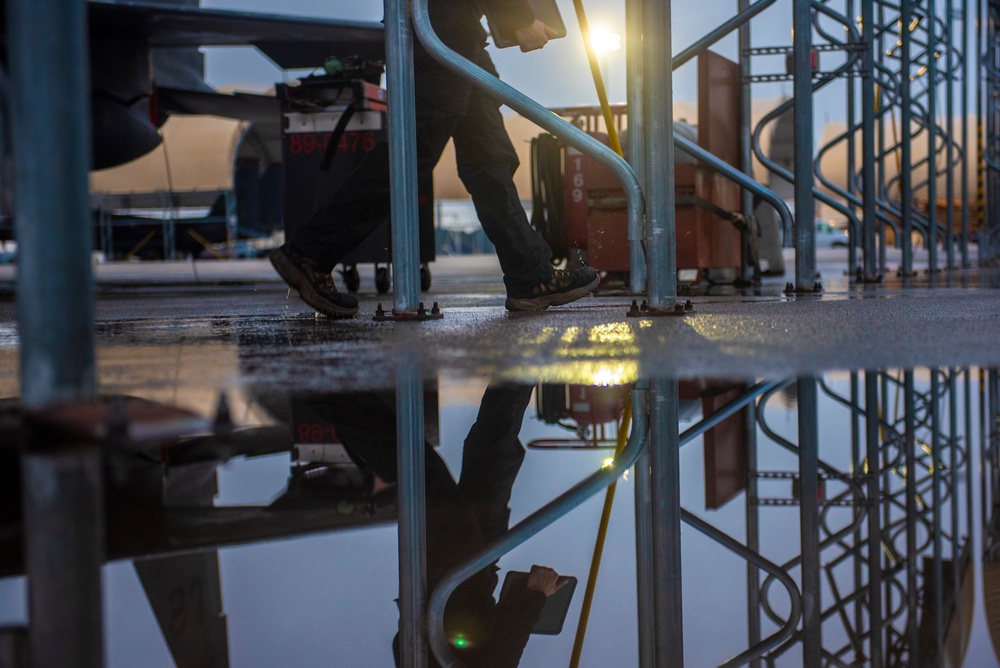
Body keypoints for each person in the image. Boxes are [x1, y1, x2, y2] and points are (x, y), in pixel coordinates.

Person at [270, 0, 600, 318]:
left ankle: (531, 276)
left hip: (454, 29)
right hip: (443, 26)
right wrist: (518, 18)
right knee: (409, 156)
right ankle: (310, 254)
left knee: (489, 158)